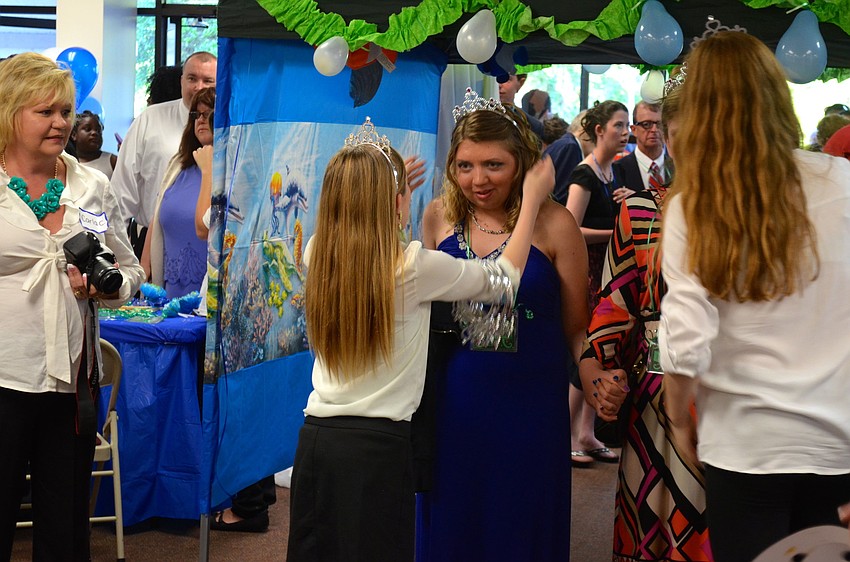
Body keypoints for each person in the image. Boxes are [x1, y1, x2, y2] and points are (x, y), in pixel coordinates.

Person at [286, 114, 555, 562]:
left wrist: (379, 188)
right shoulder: (414, 267)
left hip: (316, 442)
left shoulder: (318, 252)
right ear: (396, 204)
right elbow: (503, 279)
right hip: (378, 449)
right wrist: (530, 204)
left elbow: (364, 242)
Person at [658, 31, 850, 562]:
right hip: (835, 439)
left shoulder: (693, 204)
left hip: (745, 443)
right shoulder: (842, 179)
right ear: (778, 93)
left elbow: (685, 340)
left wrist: (678, 420)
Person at [415, 90, 589, 562]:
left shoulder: (555, 225)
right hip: (453, 400)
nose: (478, 180)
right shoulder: (438, 216)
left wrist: (592, 373)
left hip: (528, 405)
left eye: (494, 165)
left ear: (525, 163)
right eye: (465, 165)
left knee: (520, 524)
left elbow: (577, 327)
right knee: (454, 521)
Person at [0, 52, 144, 561]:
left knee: (65, 533)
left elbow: (131, 271)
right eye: (46, 112)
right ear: (9, 113)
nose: (62, 122)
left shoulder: (90, 186)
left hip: (72, 383)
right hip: (4, 380)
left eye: (65, 110)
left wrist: (112, 288)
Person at [579, 86, 713, 561]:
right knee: (651, 533)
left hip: (734, 399)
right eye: (684, 133)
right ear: (669, 139)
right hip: (654, 399)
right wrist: (600, 374)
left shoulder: (756, 218)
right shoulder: (639, 211)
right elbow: (612, 309)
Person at [565, 100, 634, 467]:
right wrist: (616, 232)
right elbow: (571, 228)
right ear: (599, 131)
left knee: (603, 349)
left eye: (626, 126)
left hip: (607, 269)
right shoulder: (585, 174)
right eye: (619, 125)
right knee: (586, 352)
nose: (625, 132)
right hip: (588, 270)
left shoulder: (613, 173)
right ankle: (570, 434)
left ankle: (586, 433)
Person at [111, 51, 216, 231]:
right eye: (192, 79)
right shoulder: (150, 119)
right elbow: (122, 190)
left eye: (207, 81)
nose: (199, 87)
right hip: (151, 236)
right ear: (182, 81)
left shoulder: (230, 129)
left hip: (209, 238)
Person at [141, 87, 214, 298]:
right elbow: (158, 213)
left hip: (209, 288)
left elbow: (207, 225)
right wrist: (144, 266)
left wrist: (208, 169)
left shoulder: (230, 169)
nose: (201, 120)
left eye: (208, 114)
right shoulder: (178, 164)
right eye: (196, 115)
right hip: (170, 285)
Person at [614, 101, 669, 192]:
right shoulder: (618, 170)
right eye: (647, 124)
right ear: (634, 130)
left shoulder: (679, 168)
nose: (654, 130)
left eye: (659, 124)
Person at [70, 110, 117, 179]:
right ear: (74, 135)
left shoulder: (112, 161)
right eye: (88, 129)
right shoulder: (69, 162)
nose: (94, 133)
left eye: (98, 130)